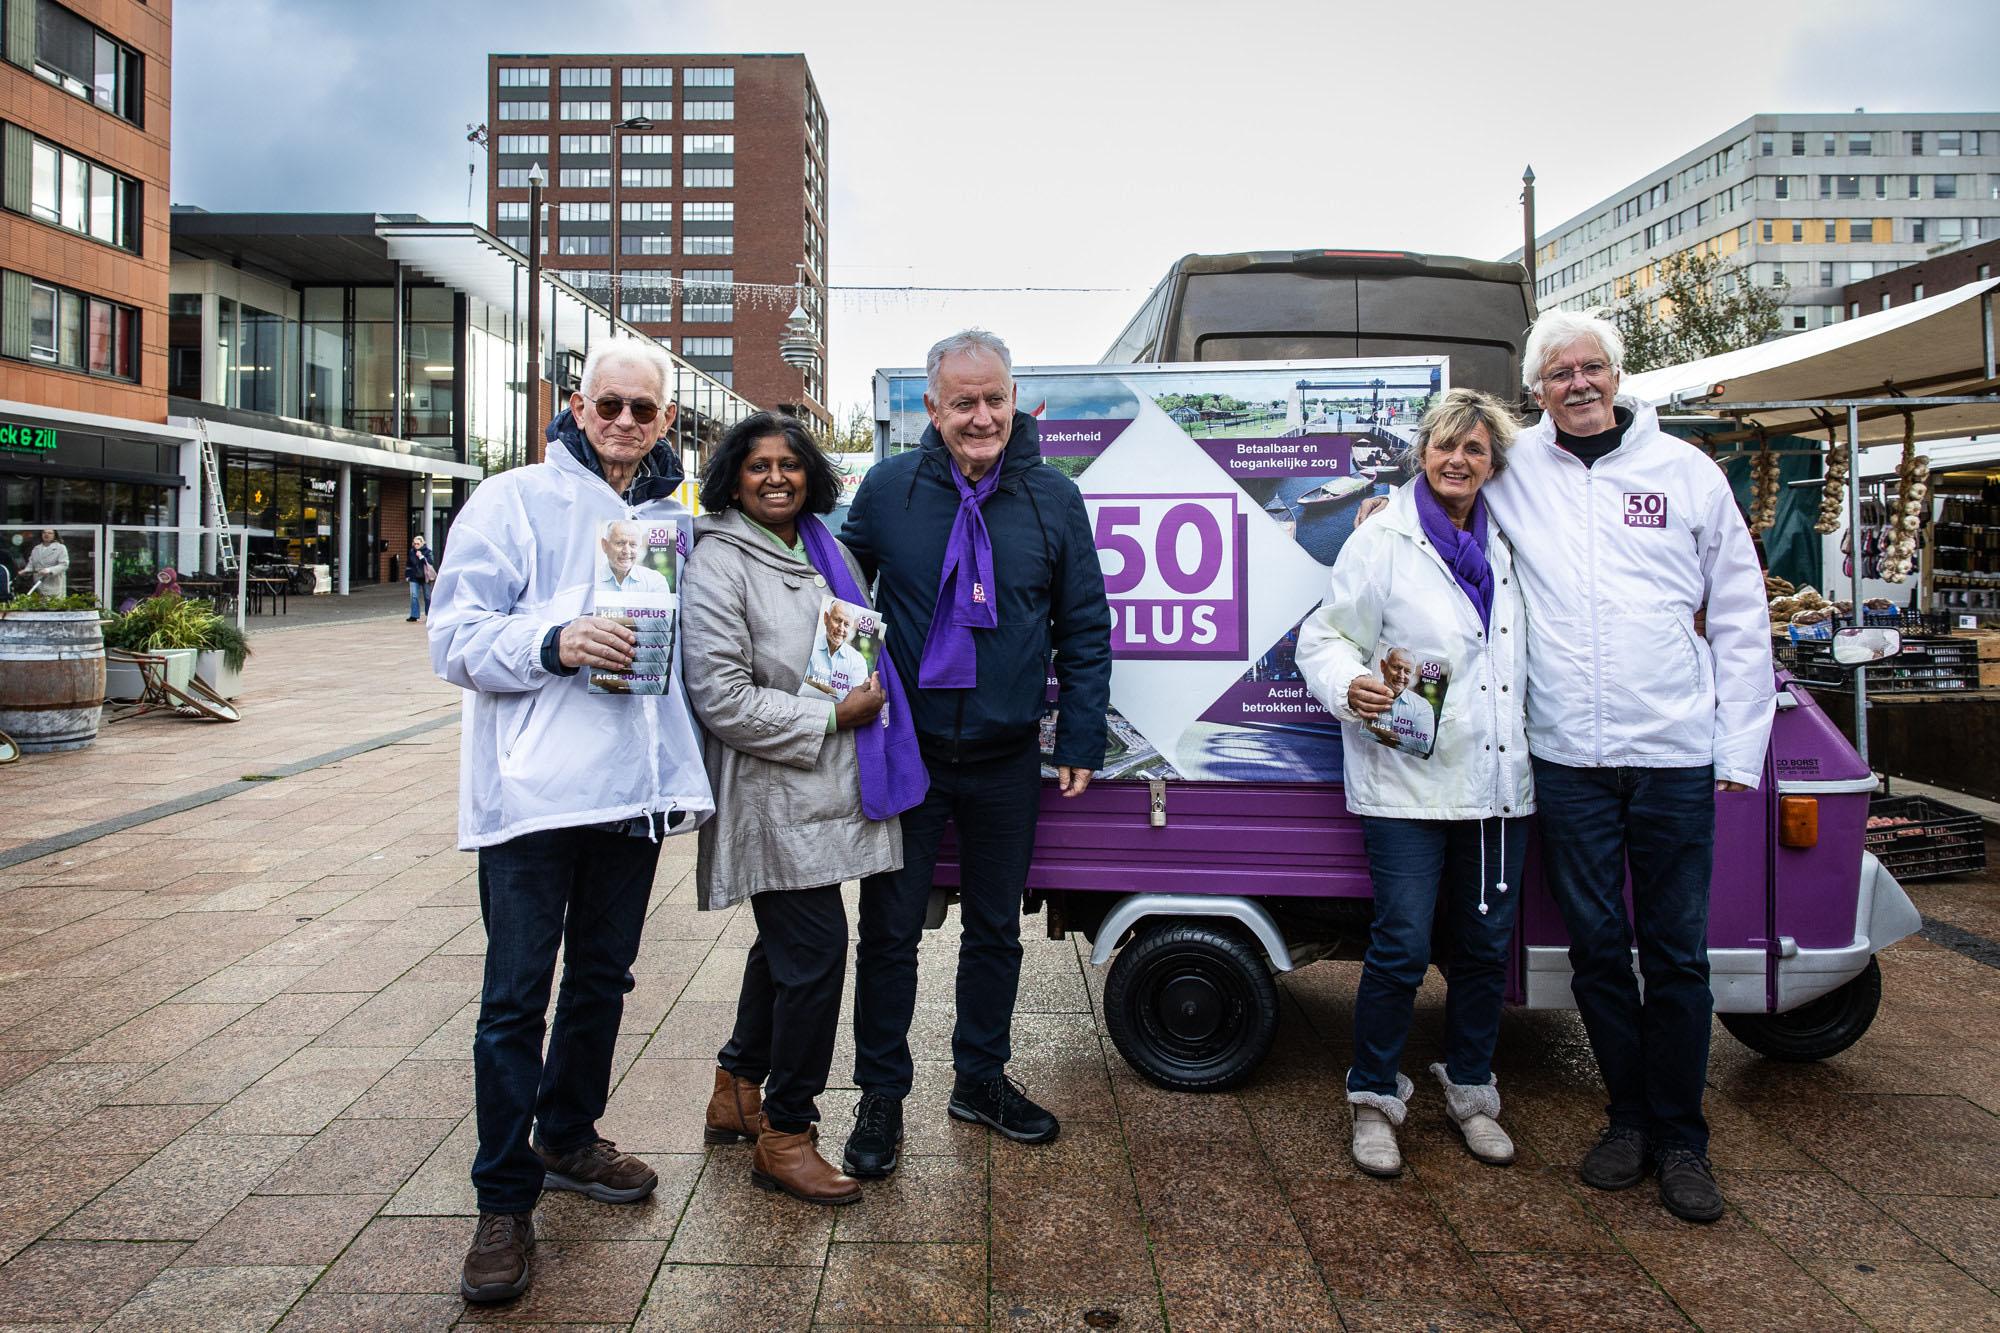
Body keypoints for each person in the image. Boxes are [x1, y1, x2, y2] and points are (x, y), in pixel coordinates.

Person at [1354, 312, 1773, 1219]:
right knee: (1594, 953)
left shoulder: (1686, 474)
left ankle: (1682, 1136)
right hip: (1569, 762)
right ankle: (1626, 1119)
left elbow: (1740, 612)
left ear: (1617, 375)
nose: (1578, 383)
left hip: (1671, 753)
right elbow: (1439, 496)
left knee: (1676, 955)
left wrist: (1740, 746)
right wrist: (1380, 511)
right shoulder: (1520, 473)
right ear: (1536, 389)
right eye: (1559, 372)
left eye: (1592, 368)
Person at [429, 337, 713, 1303]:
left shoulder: (677, 522)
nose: (627, 423)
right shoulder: (512, 500)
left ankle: (569, 1136)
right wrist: (554, 639)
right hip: (532, 801)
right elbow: (455, 636)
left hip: (628, 797)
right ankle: (503, 1199)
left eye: (645, 409)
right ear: (577, 406)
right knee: (515, 996)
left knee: (602, 980)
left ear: (667, 421)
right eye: (610, 405)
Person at [837, 329, 1112, 1177]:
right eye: (963, 402)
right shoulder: (888, 490)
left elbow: (1085, 627)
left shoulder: (1054, 498)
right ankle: (881, 1095)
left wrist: (1081, 734)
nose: (981, 416)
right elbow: (840, 597)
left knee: (996, 930)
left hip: (1004, 759)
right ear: (932, 408)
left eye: (994, 399)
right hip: (907, 755)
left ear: (1015, 400)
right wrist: (843, 696)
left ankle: (980, 1078)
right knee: (888, 933)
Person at [682, 411, 925, 1206]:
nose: (777, 476)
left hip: (832, 788)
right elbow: (720, 696)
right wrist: (828, 717)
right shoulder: (719, 561)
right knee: (817, 954)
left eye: (790, 463)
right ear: (733, 477)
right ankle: (787, 1132)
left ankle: (735, 1087)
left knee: (783, 951)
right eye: (758, 466)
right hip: (773, 795)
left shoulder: (824, 547)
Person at [1298, 389, 1533, 1178]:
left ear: (1493, 460)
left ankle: (1472, 1094)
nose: (1458, 461)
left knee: (1482, 951)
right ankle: (1373, 1099)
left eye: (1474, 448)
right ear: (1422, 454)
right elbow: (1324, 637)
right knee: (1400, 946)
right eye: (1444, 446)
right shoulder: (1382, 539)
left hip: (1498, 780)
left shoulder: (1520, 540)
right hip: (1406, 779)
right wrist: (1349, 684)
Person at [804, 599, 870, 698]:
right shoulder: (808, 645)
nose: (841, 628)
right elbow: (801, 684)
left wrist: (817, 685)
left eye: (846, 625)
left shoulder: (858, 660)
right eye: (837, 620)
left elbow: (857, 700)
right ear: (826, 618)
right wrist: (843, 693)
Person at [598, 519, 671, 593]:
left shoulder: (655, 581)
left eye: (633, 544)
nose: (627, 551)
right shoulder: (592, 580)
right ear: (605, 545)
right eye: (620, 543)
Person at [26, 530, 67, 598]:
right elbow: (31, 564)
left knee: (53, 606)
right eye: (44, 532)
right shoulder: (36, 549)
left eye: (50, 533)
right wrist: (26, 571)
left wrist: (49, 570)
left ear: (54, 535)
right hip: (38, 586)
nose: (46, 534)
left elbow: (64, 565)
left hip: (54, 586)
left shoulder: (61, 548)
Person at [406, 534, 436, 621]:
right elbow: (408, 564)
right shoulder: (412, 552)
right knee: (414, 596)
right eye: (414, 544)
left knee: (427, 596)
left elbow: (430, 562)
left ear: (422, 543)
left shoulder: (428, 552)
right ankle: (414, 615)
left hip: (425, 577)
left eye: (418, 544)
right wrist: (407, 575)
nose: (416, 545)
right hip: (414, 577)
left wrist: (421, 556)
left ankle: (430, 615)